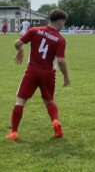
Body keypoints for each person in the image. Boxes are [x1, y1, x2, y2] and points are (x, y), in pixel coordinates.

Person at [5, 9, 70, 140]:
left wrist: (21, 51)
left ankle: (14, 133)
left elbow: (17, 43)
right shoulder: (60, 39)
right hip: (48, 74)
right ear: (59, 22)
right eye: (63, 23)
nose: (63, 25)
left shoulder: (35, 30)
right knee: (49, 101)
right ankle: (55, 122)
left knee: (20, 101)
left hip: (32, 71)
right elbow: (61, 61)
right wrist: (66, 75)